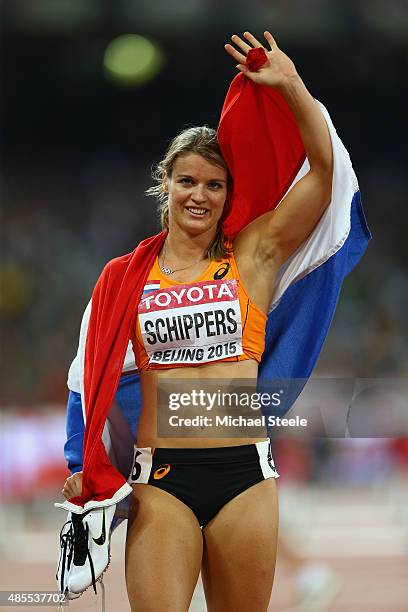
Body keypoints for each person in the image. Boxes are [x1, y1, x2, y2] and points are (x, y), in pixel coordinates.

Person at [58, 30, 369, 612]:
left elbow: (323, 177)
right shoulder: (126, 278)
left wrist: (292, 84)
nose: (199, 195)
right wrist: (82, 465)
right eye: (187, 181)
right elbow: (90, 374)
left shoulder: (252, 256)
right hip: (162, 479)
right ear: (165, 186)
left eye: (214, 185)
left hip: (244, 473)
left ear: (229, 195)